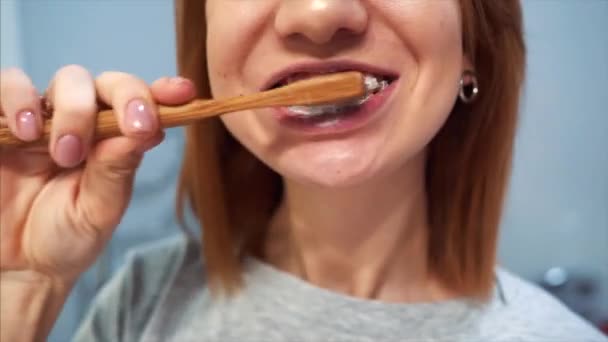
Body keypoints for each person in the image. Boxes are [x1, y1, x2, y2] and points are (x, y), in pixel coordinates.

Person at [1, 0, 606, 341]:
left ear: (471, 43)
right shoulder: (144, 299)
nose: (319, 14)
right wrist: (23, 291)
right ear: (208, 46)